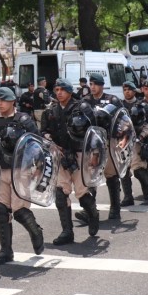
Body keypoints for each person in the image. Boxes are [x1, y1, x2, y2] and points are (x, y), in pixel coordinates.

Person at [0, 86, 46, 263]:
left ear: (12, 101)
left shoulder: (24, 120)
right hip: (1, 170)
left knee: (19, 211)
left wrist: (38, 167)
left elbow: (37, 143)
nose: (0, 104)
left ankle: (36, 232)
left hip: (21, 170)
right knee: (1, 210)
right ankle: (6, 251)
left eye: (3, 100)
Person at [40, 78, 99, 244]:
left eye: (62, 90)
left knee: (82, 194)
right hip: (60, 155)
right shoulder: (51, 111)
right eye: (57, 90)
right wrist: (50, 141)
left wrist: (95, 154)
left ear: (70, 91)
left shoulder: (83, 107)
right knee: (60, 194)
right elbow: (43, 132)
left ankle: (93, 215)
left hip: (80, 154)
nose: (59, 93)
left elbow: (94, 133)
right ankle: (67, 232)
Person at [73, 74, 127, 223]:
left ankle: (115, 208)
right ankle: (90, 211)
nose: (92, 87)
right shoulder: (85, 101)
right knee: (91, 175)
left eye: (95, 84)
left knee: (111, 174)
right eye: (91, 84)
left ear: (102, 85)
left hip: (108, 140)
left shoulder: (112, 100)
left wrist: (123, 137)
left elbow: (123, 119)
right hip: (91, 143)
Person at [118, 81, 141, 207]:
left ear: (134, 91)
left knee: (138, 169)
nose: (127, 92)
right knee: (123, 168)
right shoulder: (120, 105)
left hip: (138, 139)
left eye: (129, 89)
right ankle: (128, 196)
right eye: (125, 90)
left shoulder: (140, 104)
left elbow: (146, 122)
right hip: (123, 140)